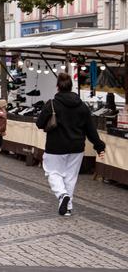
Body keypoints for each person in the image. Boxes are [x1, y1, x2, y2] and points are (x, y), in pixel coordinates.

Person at [35, 73, 107, 216]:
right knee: (70, 177)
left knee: (52, 172)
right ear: (71, 86)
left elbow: (39, 123)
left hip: (55, 147)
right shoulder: (82, 106)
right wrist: (99, 146)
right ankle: (67, 208)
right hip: (76, 147)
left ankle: (62, 195)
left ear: (57, 87)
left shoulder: (52, 104)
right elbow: (90, 129)